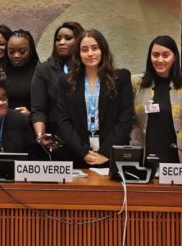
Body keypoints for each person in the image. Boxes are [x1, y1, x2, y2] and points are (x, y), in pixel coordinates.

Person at [55, 29, 133, 168]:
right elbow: (63, 121)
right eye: (84, 49)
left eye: (95, 48)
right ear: (78, 53)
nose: (90, 53)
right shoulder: (66, 82)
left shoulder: (121, 78)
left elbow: (125, 119)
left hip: (111, 155)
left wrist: (105, 153)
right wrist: (83, 152)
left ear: (103, 50)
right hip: (78, 155)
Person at [131, 35, 182, 164]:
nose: (160, 60)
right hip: (142, 157)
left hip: (177, 159)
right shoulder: (136, 83)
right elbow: (127, 121)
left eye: (165, 55)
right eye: (155, 55)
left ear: (174, 57)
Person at [30, 20, 84, 148]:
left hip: (84, 134)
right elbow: (38, 110)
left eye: (68, 38)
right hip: (56, 135)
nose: (61, 42)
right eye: (58, 39)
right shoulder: (43, 69)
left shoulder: (88, 69)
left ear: (79, 41)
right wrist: (40, 135)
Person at [4, 29, 38, 116]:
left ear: (30, 51)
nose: (16, 55)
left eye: (22, 51)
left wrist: (31, 115)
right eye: (11, 52)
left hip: (30, 122)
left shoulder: (39, 72)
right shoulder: (0, 71)